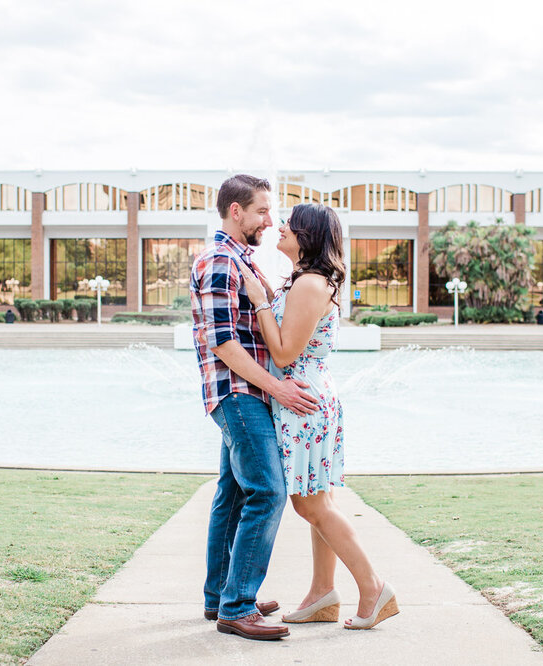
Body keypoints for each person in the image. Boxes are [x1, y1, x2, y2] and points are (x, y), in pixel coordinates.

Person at [238, 203, 399, 630]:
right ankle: (322, 593)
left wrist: (259, 303)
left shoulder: (310, 283)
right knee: (319, 500)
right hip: (308, 396)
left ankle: (372, 586)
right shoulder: (306, 280)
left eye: (289, 224)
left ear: (306, 236)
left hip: (302, 400)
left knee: (309, 504)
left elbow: (285, 352)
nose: (281, 227)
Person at [190, 174, 319, 641]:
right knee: (267, 492)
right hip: (239, 395)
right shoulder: (222, 260)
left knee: (233, 497)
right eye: (263, 211)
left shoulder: (239, 259)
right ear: (236, 211)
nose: (272, 219)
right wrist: (279, 390)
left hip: (246, 394)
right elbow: (224, 343)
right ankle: (238, 606)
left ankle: (220, 596)